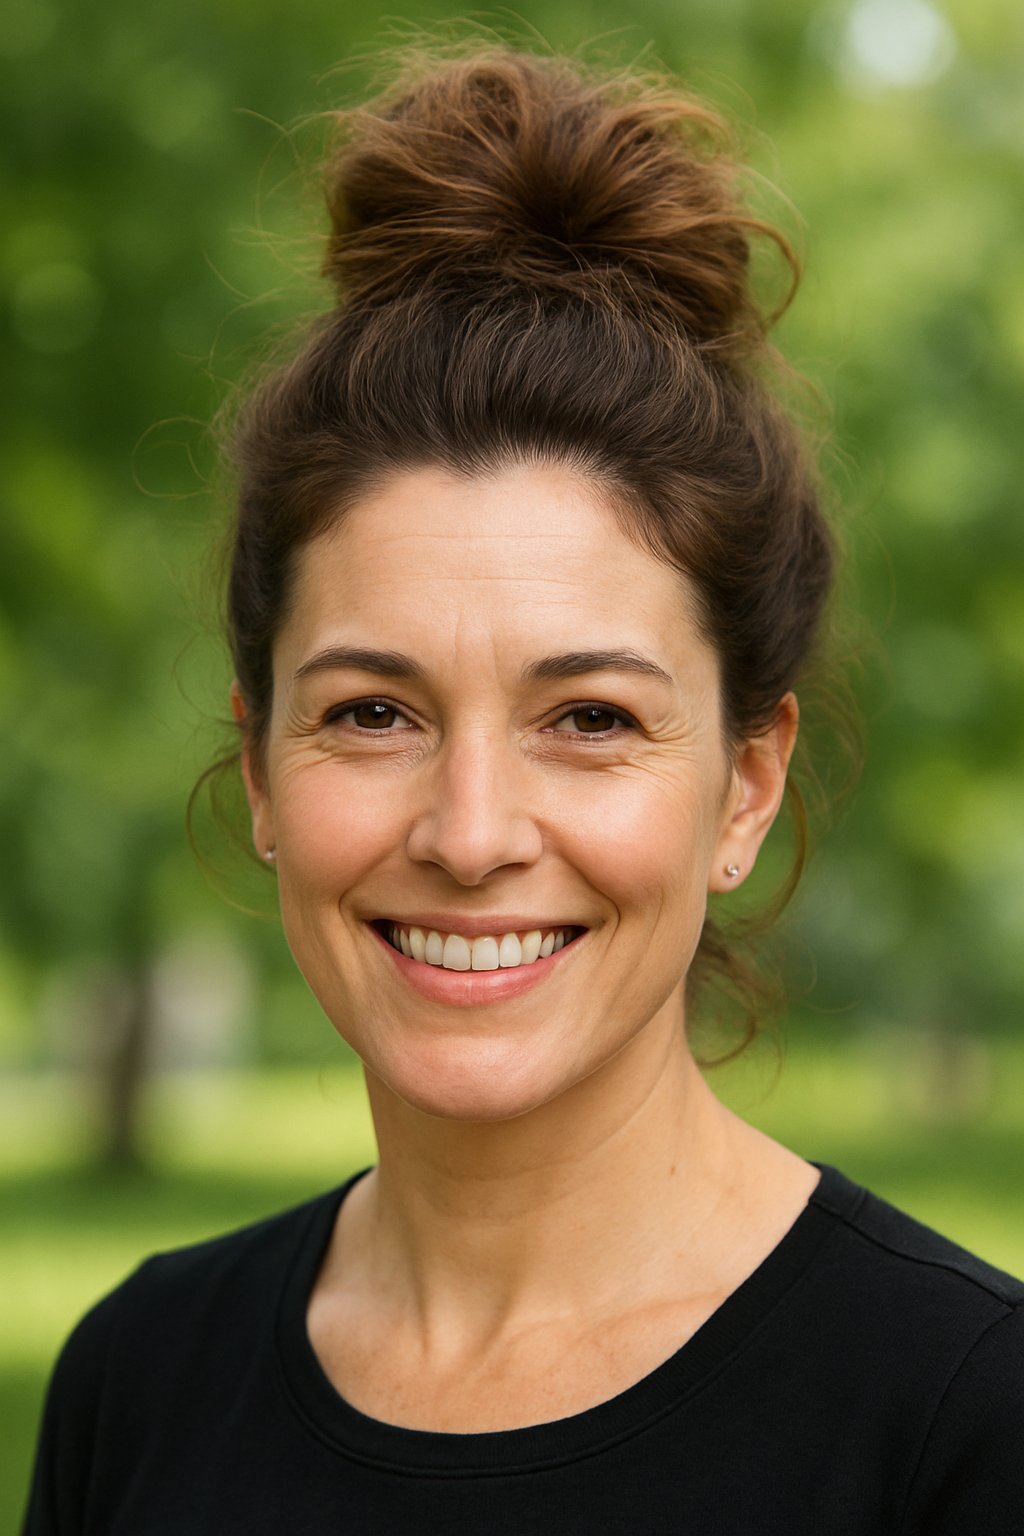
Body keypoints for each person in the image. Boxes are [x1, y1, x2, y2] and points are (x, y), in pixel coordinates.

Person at [22, 43, 1024, 1535]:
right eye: (373, 711)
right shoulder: (142, 1376)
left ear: (747, 784)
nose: (473, 833)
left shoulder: (963, 1421)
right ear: (259, 771)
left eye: (591, 719)